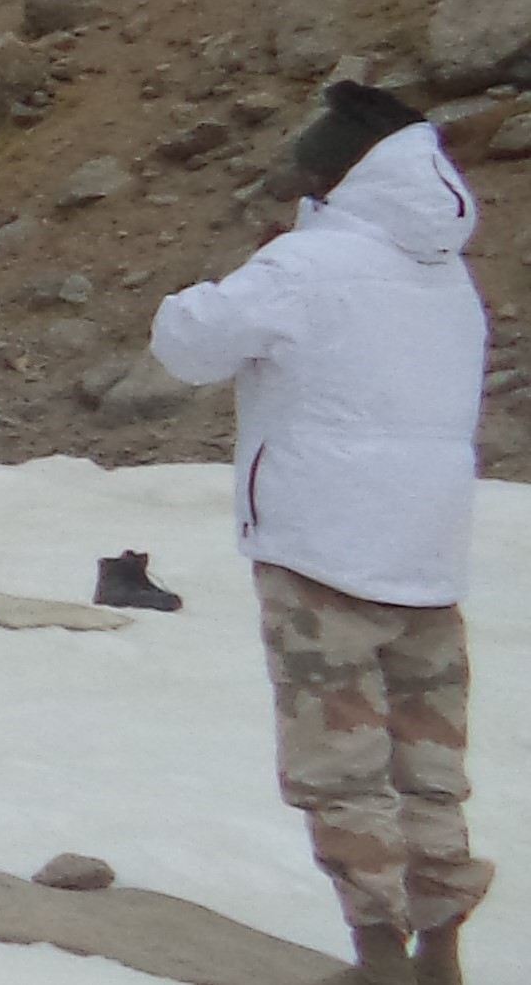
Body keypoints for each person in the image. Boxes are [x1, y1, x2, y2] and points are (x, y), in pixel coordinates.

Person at [152, 82, 491, 983]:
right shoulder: (447, 270)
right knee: (429, 765)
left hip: (321, 550)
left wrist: (207, 286)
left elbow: (189, 345)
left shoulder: (307, 264)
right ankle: (442, 955)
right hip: (427, 552)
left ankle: (378, 956)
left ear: (334, 177)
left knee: (342, 770)